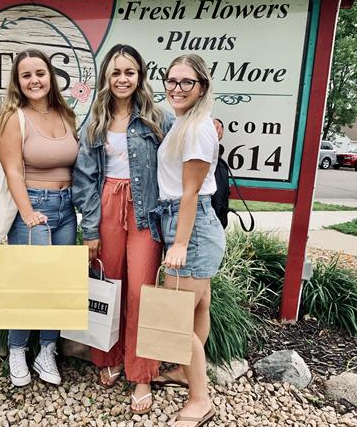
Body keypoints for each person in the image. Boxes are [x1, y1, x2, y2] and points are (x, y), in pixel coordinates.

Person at [72, 44, 172, 414]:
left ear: (139, 76)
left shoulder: (158, 119)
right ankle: (109, 356)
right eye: (115, 72)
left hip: (145, 210)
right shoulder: (95, 122)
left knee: (141, 292)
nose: (122, 79)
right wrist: (91, 229)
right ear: (106, 78)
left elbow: (181, 155)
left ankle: (142, 372)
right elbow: (84, 179)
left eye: (129, 72)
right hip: (107, 207)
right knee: (109, 284)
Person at [0, 48, 79, 387]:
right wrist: (28, 213)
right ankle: (17, 350)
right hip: (34, 208)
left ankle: (47, 350)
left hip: (66, 208)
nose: (34, 80)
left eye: (40, 73)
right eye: (26, 75)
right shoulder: (14, 118)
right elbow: (13, 170)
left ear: (50, 77)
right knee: (29, 283)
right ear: (17, 81)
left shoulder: (64, 113)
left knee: (57, 283)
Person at [150, 54, 225, 427]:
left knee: (175, 317)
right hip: (190, 225)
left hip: (189, 228)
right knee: (197, 308)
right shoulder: (186, 122)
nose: (176, 88)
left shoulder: (197, 128)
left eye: (186, 82)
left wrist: (179, 244)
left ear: (202, 86)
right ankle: (184, 371)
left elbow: (191, 192)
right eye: (171, 80)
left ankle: (200, 400)